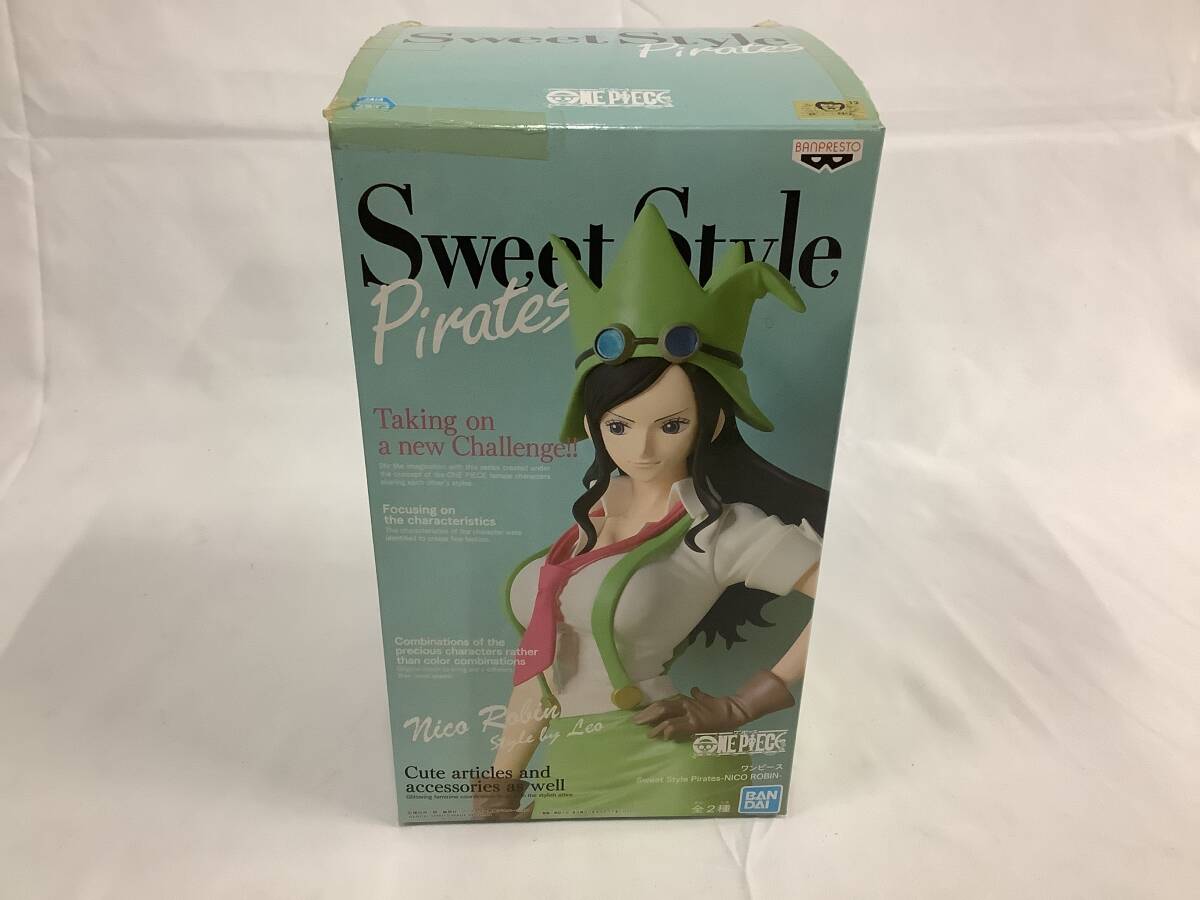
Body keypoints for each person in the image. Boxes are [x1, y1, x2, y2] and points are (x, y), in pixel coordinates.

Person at [474, 205, 828, 820]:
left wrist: (744, 704)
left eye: (670, 425)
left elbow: (854, 599)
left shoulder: (719, 529)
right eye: (619, 425)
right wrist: (501, 781)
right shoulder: (581, 529)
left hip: (667, 764)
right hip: (570, 763)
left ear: (710, 424)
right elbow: (539, 676)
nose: (641, 447)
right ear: (593, 426)